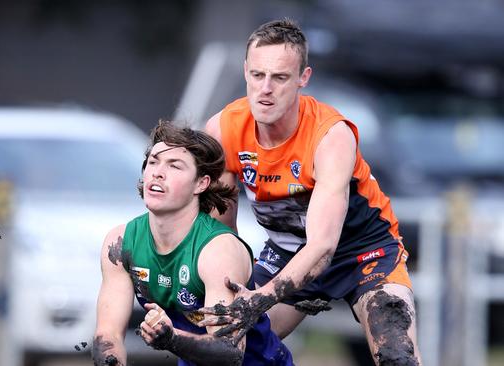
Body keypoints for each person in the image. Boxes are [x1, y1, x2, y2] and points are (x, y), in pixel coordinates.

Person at [200, 19, 422, 365]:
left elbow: (323, 247)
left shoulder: (331, 135)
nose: (265, 89)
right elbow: (220, 234)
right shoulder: (223, 129)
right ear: (245, 71)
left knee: (396, 354)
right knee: (227, 346)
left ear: (303, 78)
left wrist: (261, 298)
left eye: (280, 77)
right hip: (287, 252)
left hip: (362, 253)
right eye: (257, 76)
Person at [92, 121, 293, 366]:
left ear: (201, 183)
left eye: (175, 166)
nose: (157, 172)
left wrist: (171, 339)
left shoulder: (217, 250)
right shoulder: (121, 242)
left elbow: (230, 353)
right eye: (153, 162)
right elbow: (108, 337)